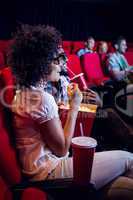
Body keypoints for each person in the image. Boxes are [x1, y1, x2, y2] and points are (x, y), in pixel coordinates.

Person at [8, 24, 133, 199]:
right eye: (56, 60)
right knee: (129, 159)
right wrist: (75, 106)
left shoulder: (23, 92)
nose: (60, 65)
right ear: (42, 64)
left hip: (41, 170)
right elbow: (62, 150)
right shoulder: (41, 98)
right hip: (49, 174)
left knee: (126, 187)